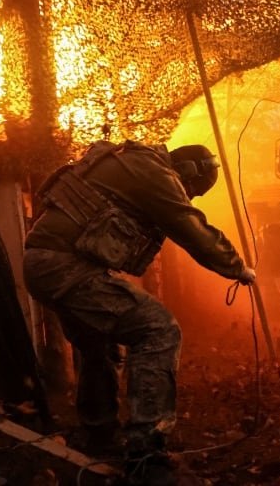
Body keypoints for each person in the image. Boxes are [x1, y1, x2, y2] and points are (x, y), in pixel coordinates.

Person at [22, 140, 255, 482]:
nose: (188, 195)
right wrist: (237, 267)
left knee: (98, 344)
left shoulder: (131, 163)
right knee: (158, 329)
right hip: (65, 266)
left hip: (49, 262)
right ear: (186, 171)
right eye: (192, 189)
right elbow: (189, 226)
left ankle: (99, 435)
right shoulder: (153, 173)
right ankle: (146, 453)